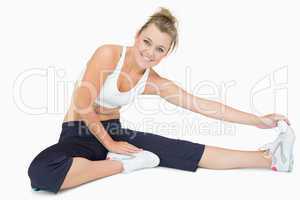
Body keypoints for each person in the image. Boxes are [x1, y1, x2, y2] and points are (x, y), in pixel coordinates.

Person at [27, 7, 295, 194]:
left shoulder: (154, 81)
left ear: (166, 54)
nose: (149, 52)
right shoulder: (108, 55)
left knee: (182, 149)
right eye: (147, 42)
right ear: (136, 36)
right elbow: (83, 103)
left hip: (115, 132)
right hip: (79, 133)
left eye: (159, 49)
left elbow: (203, 105)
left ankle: (269, 159)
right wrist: (112, 147)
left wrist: (257, 120)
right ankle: (123, 165)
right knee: (42, 172)